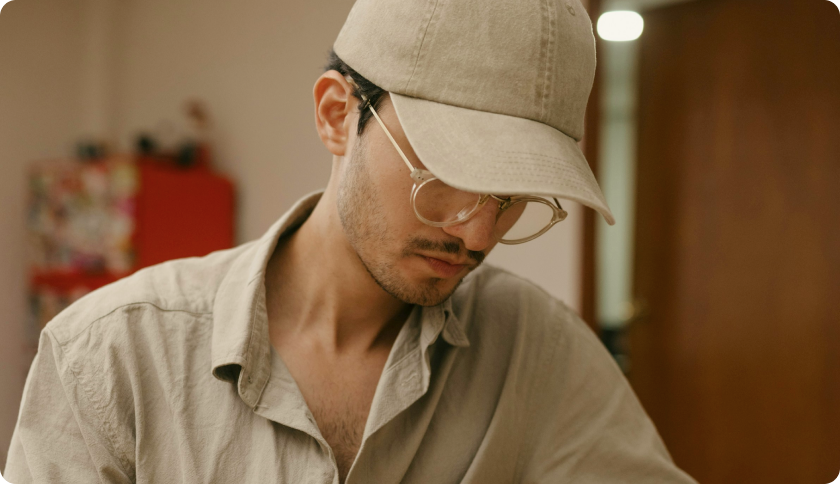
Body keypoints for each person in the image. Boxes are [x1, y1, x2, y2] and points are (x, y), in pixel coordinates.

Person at [3, 0, 698, 482]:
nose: (478, 232)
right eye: (447, 174)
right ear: (339, 116)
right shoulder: (111, 356)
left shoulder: (536, 349)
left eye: (514, 197)